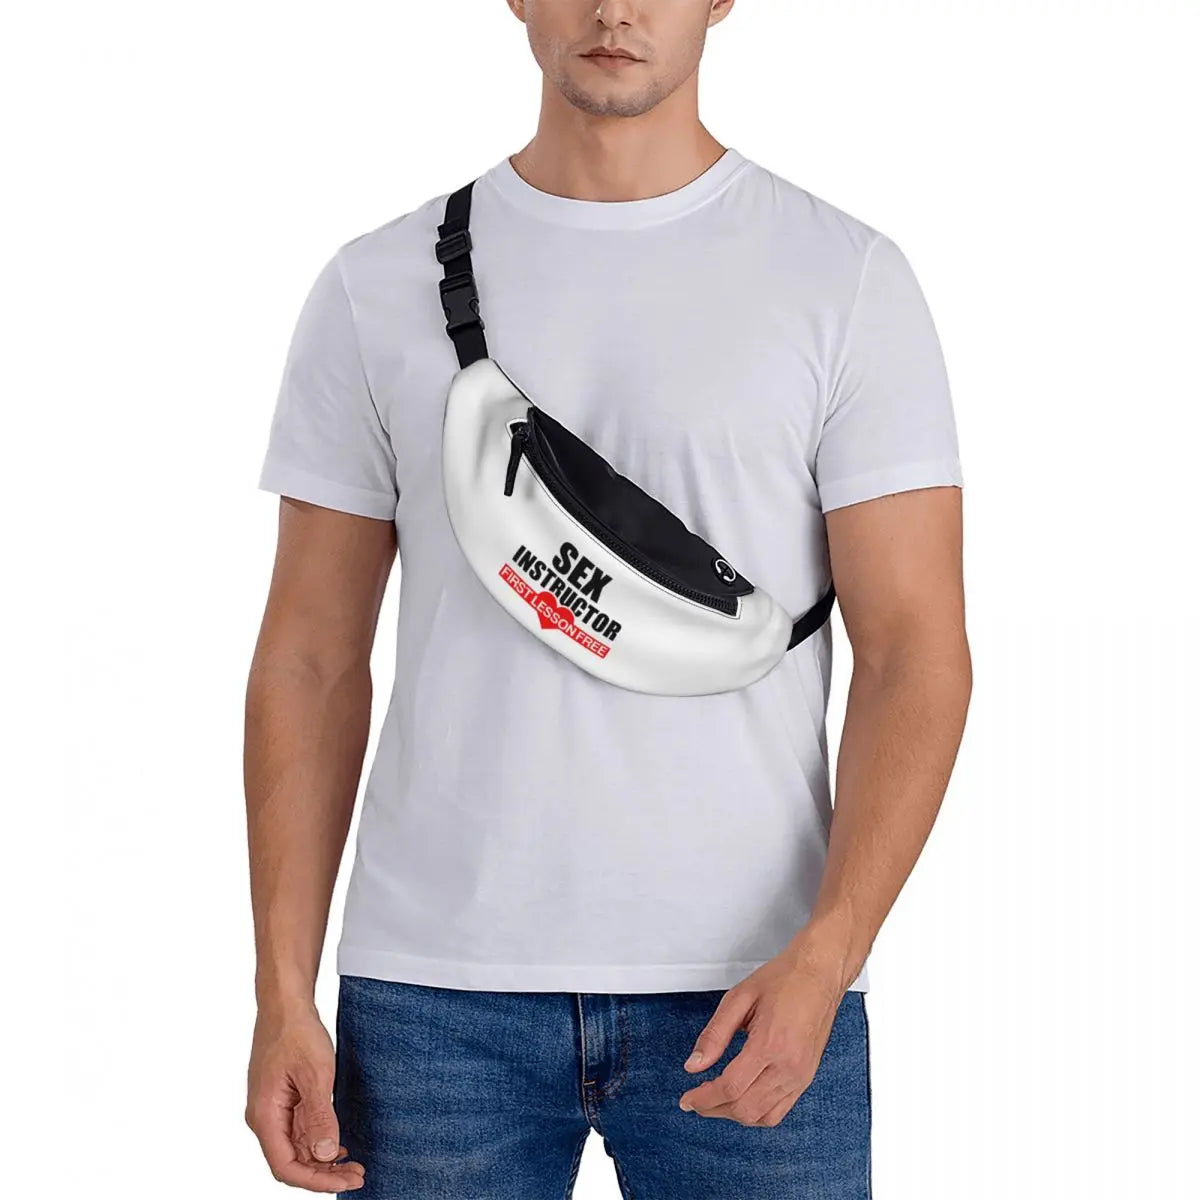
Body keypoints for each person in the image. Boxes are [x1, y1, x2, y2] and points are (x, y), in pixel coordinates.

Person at [242, 1, 973, 1196]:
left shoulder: (844, 280)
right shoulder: (375, 287)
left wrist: (831, 953)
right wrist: (282, 990)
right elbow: (309, 659)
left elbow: (916, 655)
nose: (615, 8)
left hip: (760, 988)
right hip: (434, 998)